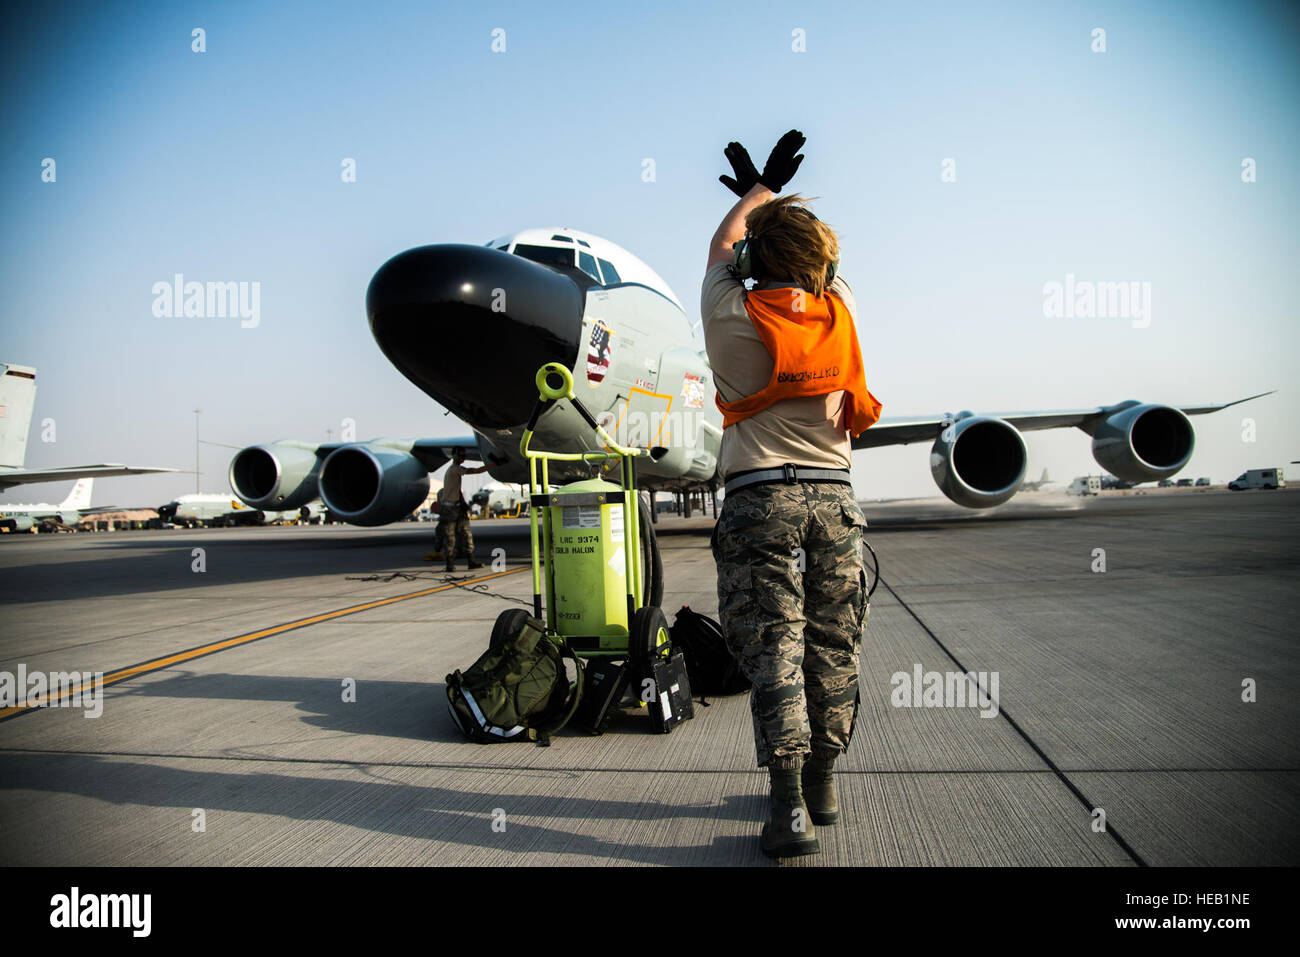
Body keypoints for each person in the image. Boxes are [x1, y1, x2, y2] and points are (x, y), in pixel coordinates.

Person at [702, 129, 882, 859]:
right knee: (834, 642)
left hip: (759, 499)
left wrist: (756, 192)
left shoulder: (730, 317)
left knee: (775, 646)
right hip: (836, 502)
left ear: (749, 265)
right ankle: (825, 783)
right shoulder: (841, 313)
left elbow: (723, 247)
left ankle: (788, 810)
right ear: (822, 266)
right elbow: (825, 262)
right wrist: (779, 206)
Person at [437, 449, 488, 572]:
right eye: (461, 455)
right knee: (450, 537)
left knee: (466, 534)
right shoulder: (454, 469)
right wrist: (494, 465)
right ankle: (450, 564)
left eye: (464, 455)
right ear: (455, 456)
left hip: (457, 507)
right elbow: (476, 471)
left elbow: (457, 490)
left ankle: (471, 561)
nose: (463, 458)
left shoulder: (455, 470)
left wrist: (464, 504)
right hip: (449, 509)